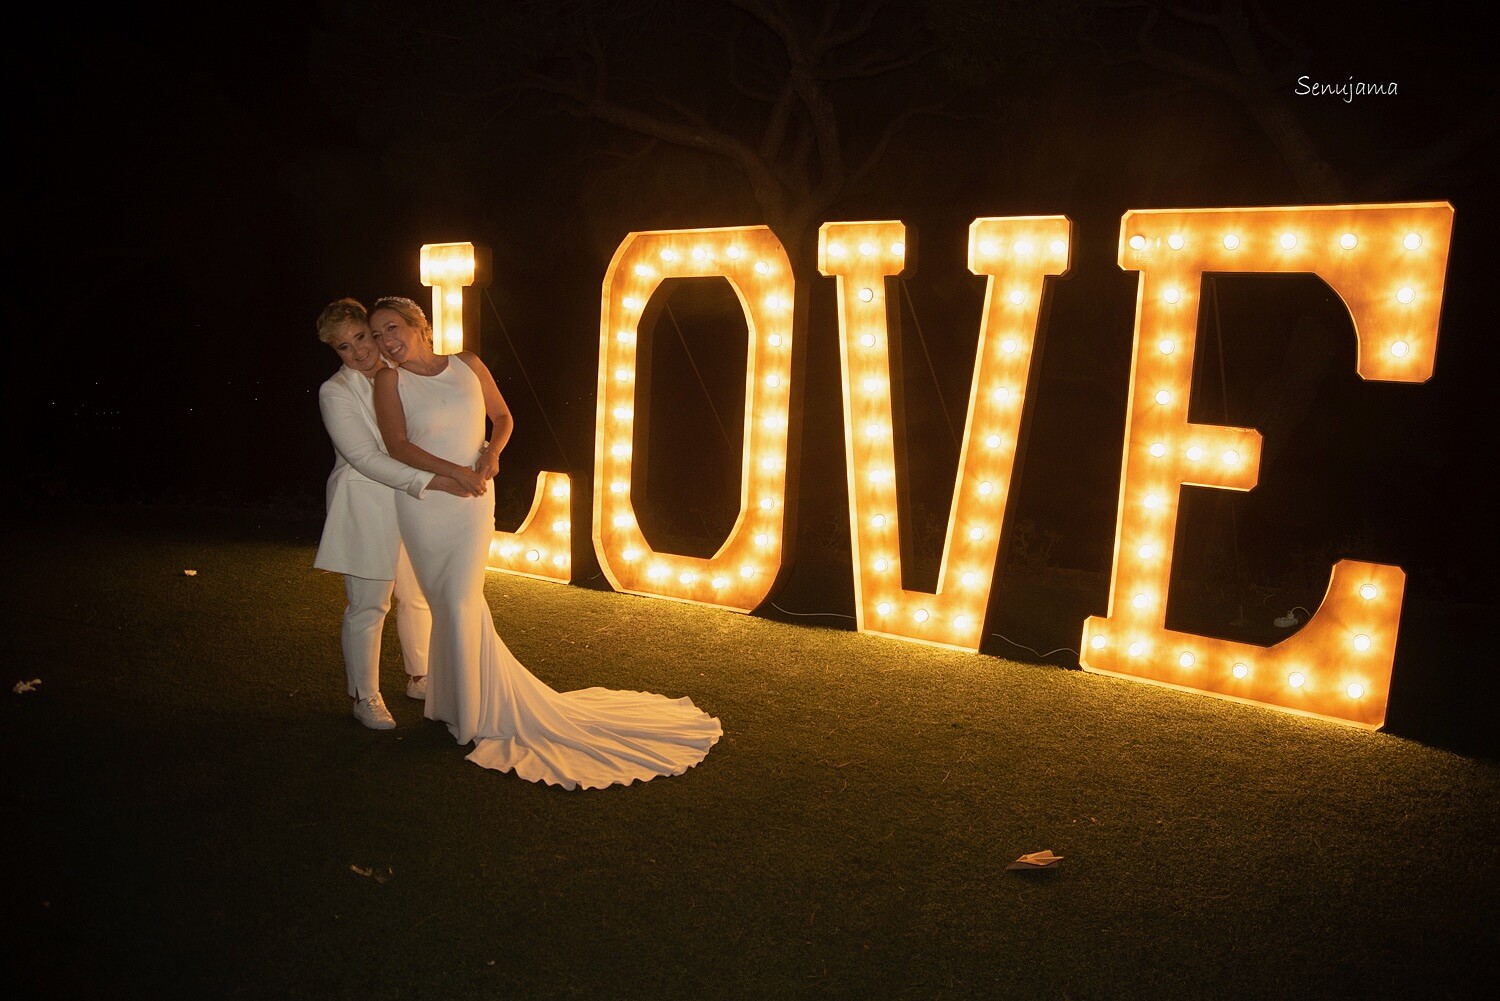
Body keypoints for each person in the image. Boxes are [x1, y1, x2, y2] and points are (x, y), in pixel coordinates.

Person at [367, 295, 721, 789]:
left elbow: (504, 418)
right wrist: (454, 473)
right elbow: (397, 444)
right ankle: (456, 705)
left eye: (391, 329)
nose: (386, 342)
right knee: (447, 602)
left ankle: (465, 710)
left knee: (462, 599)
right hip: (428, 505)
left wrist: (491, 455)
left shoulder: (467, 364)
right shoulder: (389, 380)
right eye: (377, 334)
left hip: (472, 504)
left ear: (418, 326)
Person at [312, 297, 481, 730]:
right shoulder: (335, 392)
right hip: (367, 504)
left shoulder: (402, 375)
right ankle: (364, 696)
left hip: (413, 504)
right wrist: (435, 482)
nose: (359, 351)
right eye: (344, 347)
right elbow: (365, 457)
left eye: (361, 337)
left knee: (417, 592)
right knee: (369, 604)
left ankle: (420, 675)